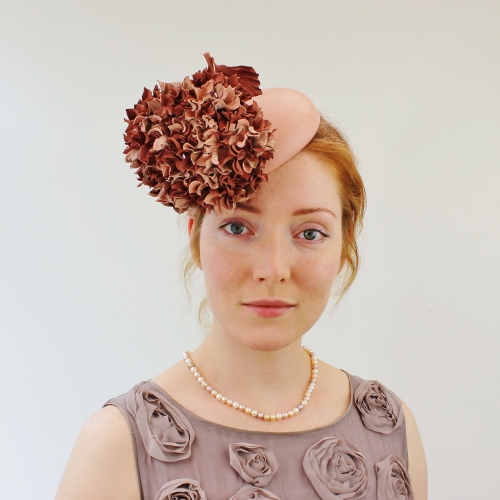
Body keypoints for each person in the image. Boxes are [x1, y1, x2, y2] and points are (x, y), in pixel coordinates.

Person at [56, 53, 427, 500]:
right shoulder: (118, 444)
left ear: (344, 246)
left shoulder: (389, 430)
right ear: (196, 238)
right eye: (237, 227)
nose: (272, 269)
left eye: (310, 233)